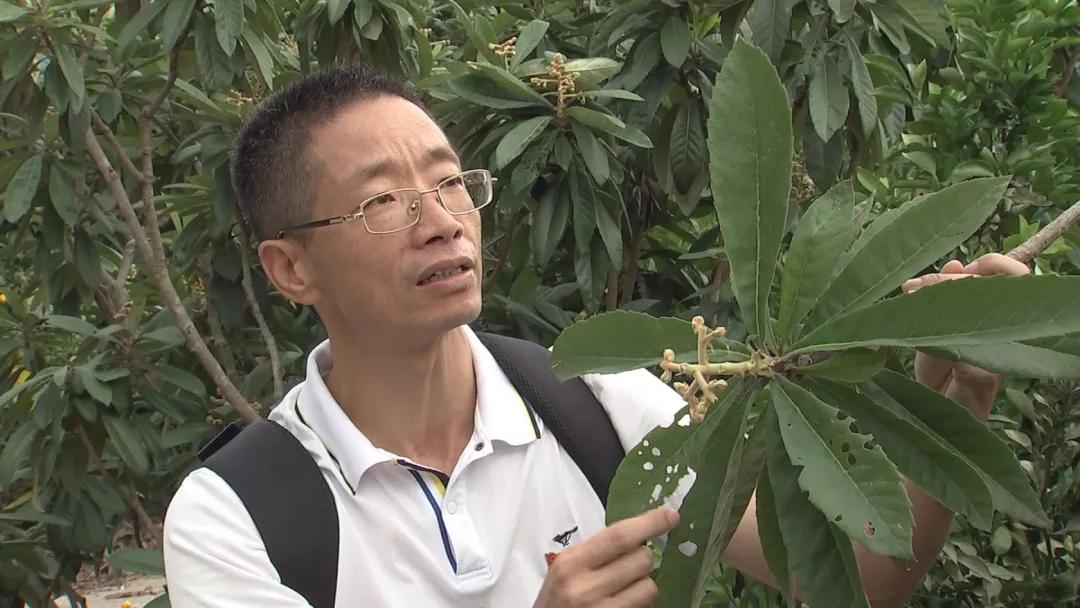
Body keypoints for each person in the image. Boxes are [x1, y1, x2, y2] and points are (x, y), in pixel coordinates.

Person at [162, 63, 1030, 608]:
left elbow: (860, 579)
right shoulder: (237, 517)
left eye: (451, 181)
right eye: (383, 200)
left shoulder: (595, 401)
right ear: (289, 270)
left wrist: (946, 406)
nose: (442, 222)